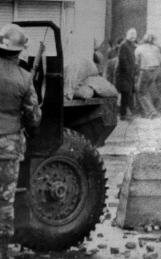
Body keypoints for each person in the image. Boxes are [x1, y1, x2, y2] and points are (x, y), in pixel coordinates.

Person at [0, 24, 42, 257]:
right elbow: (33, 118)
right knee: (4, 201)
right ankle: (3, 251)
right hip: (8, 147)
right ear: (19, 51)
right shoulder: (24, 79)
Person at [134, 34, 161, 119]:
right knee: (150, 90)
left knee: (141, 92)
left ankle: (151, 112)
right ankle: (160, 110)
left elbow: (136, 62)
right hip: (156, 71)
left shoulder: (139, 48)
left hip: (145, 70)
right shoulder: (156, 48)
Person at [116, 28, 137, 121]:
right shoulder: (123, 45)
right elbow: (122, 60)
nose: (133, 36)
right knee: (125, 94)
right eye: (131, 34)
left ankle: (127, 113)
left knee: (129, 94)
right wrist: (129, 70)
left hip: (130, 74)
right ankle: (123, 114)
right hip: (124, 74)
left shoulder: (132, 45)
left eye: (134, 34)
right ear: (127, 35)